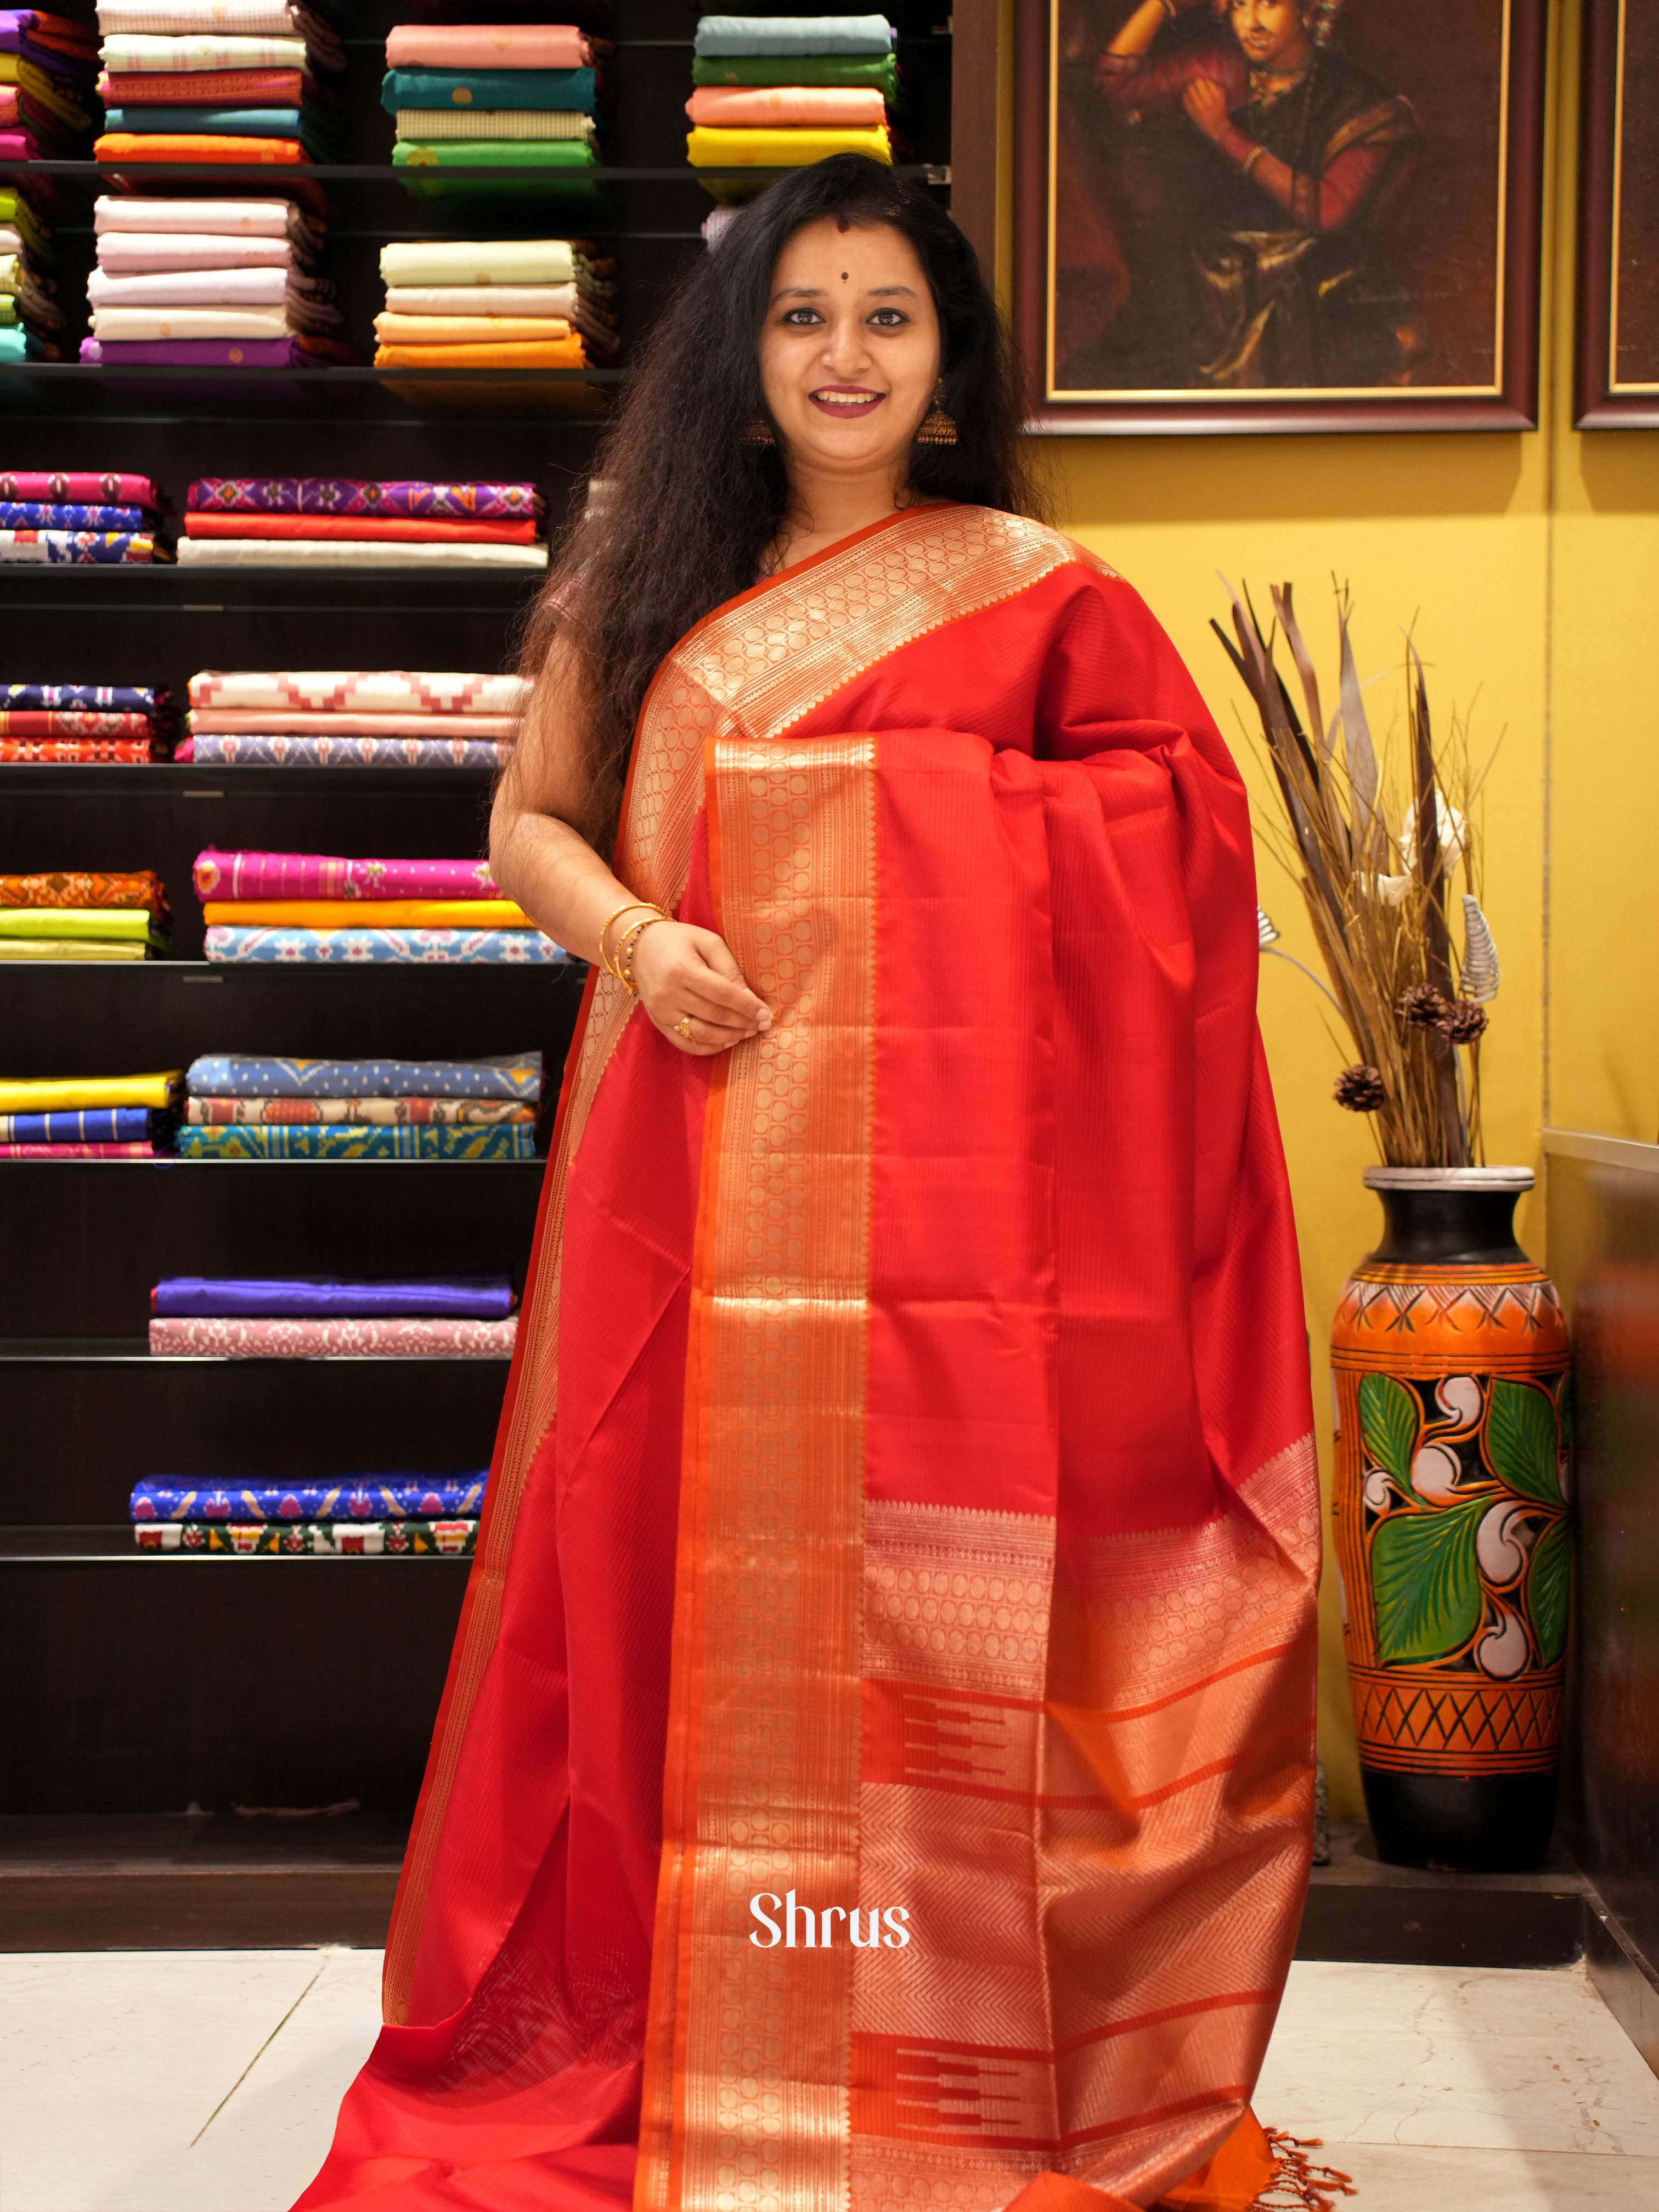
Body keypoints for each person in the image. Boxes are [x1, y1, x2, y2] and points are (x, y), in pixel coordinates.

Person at [294, 154, 1328, 2212]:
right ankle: (686, 2018)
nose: (840, 353)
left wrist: (902, 829)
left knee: (950, 1627)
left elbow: (1173, 844)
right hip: (684, 1168)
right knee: (658, 1584)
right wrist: (637, 940)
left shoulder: (1038, 587)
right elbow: (531, 822)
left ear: (945, 365)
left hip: (961, 1251)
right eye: (800, 315)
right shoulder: (645, 566)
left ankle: (911, 2033)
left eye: (883, 317)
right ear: (741, 354)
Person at [1084, 0, 1421, 388]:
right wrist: (1163, 5)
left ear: (1307, 11)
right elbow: (1110, 85)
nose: (1253, 24)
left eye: (1270, 4)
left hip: (1315, 281)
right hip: (1215, 279)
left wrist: (1224, 134)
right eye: (1241, 6)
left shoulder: (1358, 101)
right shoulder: (1222, 67)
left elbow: (1327, 210)